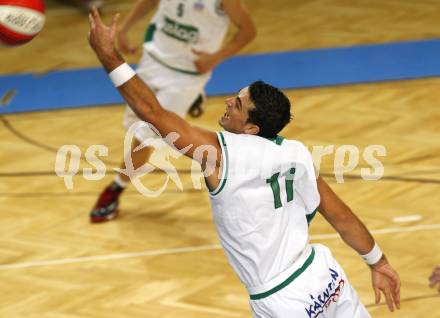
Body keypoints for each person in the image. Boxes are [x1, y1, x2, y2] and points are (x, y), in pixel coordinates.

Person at [87, 8, 401, 317]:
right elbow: (342, 217)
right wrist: (379, 262)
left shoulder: (220, 156)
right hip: (326, 276)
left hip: (281, 301)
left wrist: (108, 55)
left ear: (252, 128)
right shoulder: (296, 153)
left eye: (237, 104)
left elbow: (153, 113)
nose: (227, 101)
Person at [90, 0, 256, 222]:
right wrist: (124, 28)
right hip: (153, 60)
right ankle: (192, 99)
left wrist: (215, 58)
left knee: (144, 136)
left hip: (185, 75)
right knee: (134, 126)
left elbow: (249, 31)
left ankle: (115, 188)